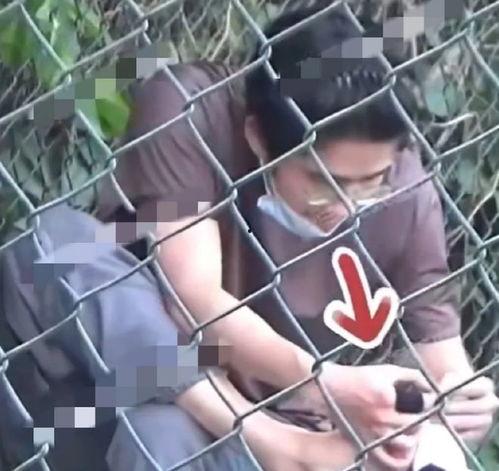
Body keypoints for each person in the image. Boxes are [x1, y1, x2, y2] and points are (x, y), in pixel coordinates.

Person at [94, 4, 498, 471]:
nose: (346, 206)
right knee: (158, 430)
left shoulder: (407, 189)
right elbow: (193, 302)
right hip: (187, 382)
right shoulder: (196, 111)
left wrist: (459, 399)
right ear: (258, 139)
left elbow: (440, 352)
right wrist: (326, 384)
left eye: (372, 182)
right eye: (325, 181)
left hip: (318, 426)